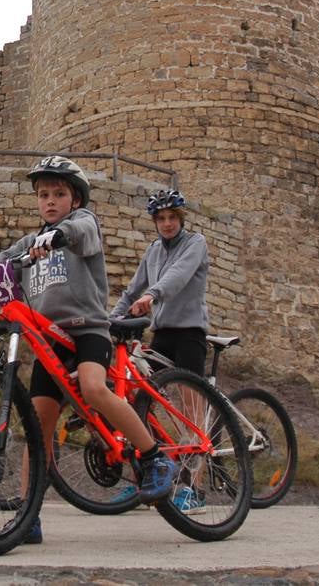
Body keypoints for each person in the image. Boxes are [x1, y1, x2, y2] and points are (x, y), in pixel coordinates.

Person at [0, 156, 178, 544]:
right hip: (50, 339)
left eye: (59, 194)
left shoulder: (84, 224)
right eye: (43, 195)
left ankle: (155, 458)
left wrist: (57, 236)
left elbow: (78, 232)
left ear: (75, 199)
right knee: (38, 426)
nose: (50, 201)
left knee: (93, 388)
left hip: (88, 330)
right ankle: (28, 514)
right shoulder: (30, 242)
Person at [111, 187, 211, 510]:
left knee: (191, 410)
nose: (167, 224)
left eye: (172, 218)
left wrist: (153, 295)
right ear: (154, 221)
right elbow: (131, 290)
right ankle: (144, 480)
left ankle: (195, 489)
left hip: (190, 332)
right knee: (142, 404)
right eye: (161, 219)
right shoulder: (153, 251)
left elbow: (178, 277)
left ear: (180, 219)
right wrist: (110, 319)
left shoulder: (196, 243)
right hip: (163, 334)